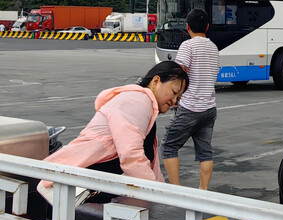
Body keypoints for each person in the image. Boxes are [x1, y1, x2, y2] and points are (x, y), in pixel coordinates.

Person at [38, 61, 188, 202]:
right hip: (76, 187)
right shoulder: (138, 101)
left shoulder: (145, 105)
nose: (175, 101)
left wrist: (161, 191)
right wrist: (155, 193)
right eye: (174, 92)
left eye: (179, 98)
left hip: (87, 186)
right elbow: (131, 154)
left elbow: (149, 162)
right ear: (156, 81)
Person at [161, 8, 220, 190]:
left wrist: (175, 97)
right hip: (209, 108)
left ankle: (176, 189)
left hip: (190, 107)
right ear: (207, 26)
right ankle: (203, 191)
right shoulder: (213, 47)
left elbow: (179, 74)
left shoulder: (188, 45)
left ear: (187, 27)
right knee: (205, 153)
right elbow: (215, 73)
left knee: (169, 146)